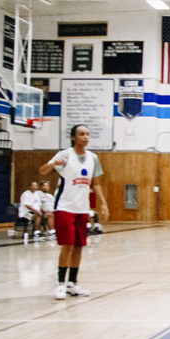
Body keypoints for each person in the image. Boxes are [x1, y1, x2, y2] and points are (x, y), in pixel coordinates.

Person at [39, 125, 109, 299]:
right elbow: (42, 171)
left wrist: (103, 203)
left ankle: (72, 283)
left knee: (78, 246)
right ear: (73, 137)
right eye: (81, 134)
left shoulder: (93, 157)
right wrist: (53, 163)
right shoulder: (65, 154)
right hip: (64, 207)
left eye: (87, 134)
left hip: (82, 208)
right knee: (67, 245)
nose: (85, 137)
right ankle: (60, 284)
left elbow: (96, 183)